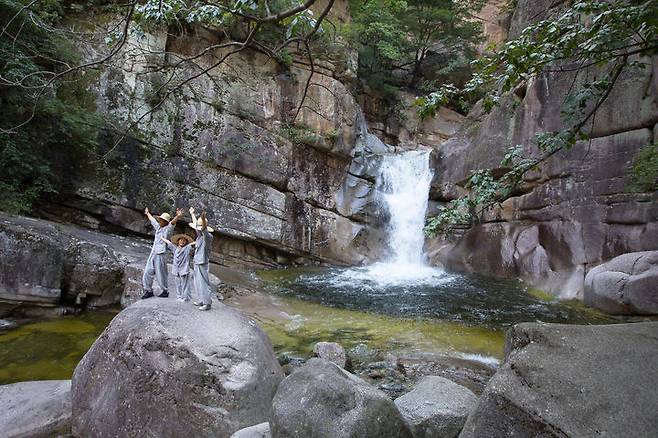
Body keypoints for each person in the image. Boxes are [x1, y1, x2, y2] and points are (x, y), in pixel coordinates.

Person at [141, 207, 183, 299]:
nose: (160, 221)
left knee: (161, 273)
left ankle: (164, 290)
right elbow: (153, 221)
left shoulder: (168, 229)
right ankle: (148, 290)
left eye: (162, 220)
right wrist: (147, 213)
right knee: (147, 272)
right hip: (154, 252)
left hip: (161, 253)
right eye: (160, 219)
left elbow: (172, 223)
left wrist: (178, 216)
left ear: (165, 222)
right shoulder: (159, 227)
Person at [189, 207, 214, 311]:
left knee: (203, 282)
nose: (198, 230)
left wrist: (203, 220)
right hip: (197, 261)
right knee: (197, 282)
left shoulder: (208, 237)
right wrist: (192, 214)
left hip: (202, 262)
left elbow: (203, 230)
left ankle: (207, 303)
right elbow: (197, 227)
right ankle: (201, 300)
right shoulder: (199, 236)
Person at [161, 234, 195, 302]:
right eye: (181, 240)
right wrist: (161, 238)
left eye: (184, 241)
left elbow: (193, 244)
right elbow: (169, 243)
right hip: (176, 269)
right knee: (178, 283)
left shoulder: (187, 248)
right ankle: (179, 296)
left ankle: (185, 297)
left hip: (184, 269)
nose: (182, 241)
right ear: (178, 241)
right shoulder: (175, 248)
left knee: (184, 284)